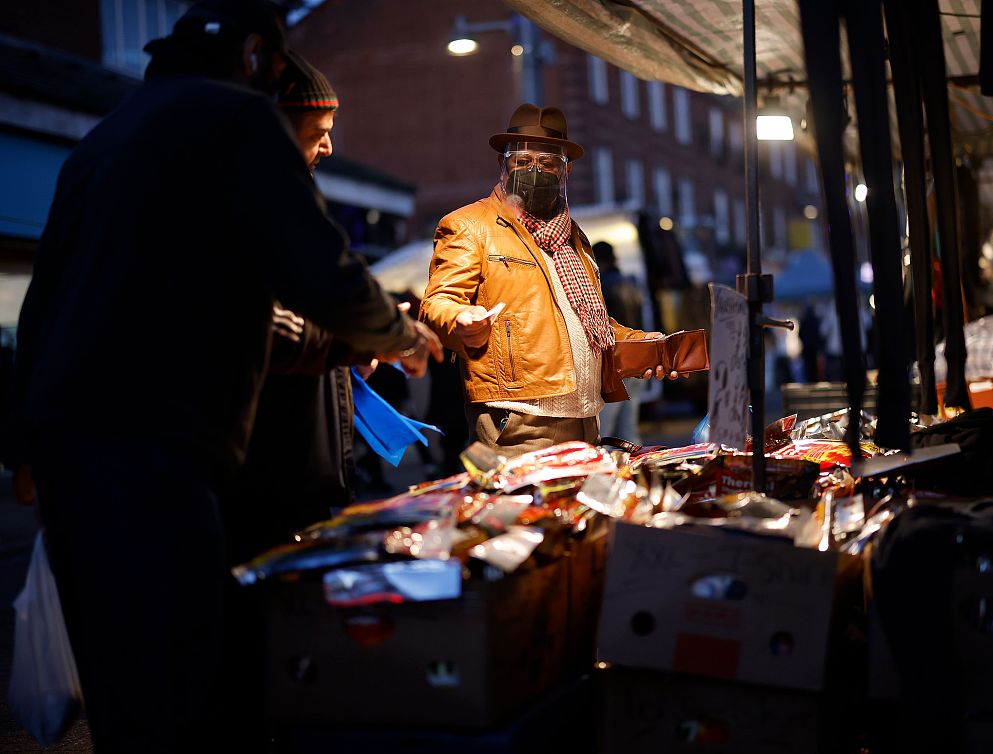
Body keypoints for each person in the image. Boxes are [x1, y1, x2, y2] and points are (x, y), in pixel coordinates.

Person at [5, 2, 438, 750]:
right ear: (252, 55)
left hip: (72, 461)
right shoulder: (237, 123)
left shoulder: (103, 140)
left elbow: (46, 302)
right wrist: (401, 334)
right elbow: (322, 270)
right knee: (189, 689)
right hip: (157, 457)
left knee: (122, 689)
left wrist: (23, 446)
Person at [421, 104, 678, 458]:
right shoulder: (470, 225)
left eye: (548, 163)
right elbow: (437, 303)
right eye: (522, 160)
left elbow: (589, 323)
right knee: (526, 512)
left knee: (586, 513)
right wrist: (461, 319)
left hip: (587, 418)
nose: (534, 170)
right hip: (519, 419)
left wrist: (643, 343)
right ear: (502, 163)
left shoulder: (575, 237)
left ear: (566, 170)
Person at [594, 240, 648, 443]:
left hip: (616, 365)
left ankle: (611, 473)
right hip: (636, 363)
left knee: (605, 432)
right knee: (629, 431)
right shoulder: (629, 283)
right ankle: (636, 474)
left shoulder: (600, 286)